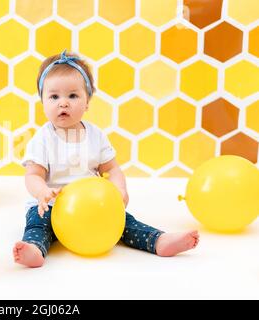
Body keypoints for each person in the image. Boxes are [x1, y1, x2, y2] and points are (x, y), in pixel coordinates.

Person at [13, 50, 199, 267]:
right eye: (54, 96)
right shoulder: (42, 138)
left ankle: (158, 240)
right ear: (43, 101)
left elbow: (112, 169)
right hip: (52, 206)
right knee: (38, 224)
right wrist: (42, 192)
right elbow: (33, 175)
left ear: (87, 101)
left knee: (125, 223)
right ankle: (34, 249)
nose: (63, 103)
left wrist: (119, 190)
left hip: (93, 206)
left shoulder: (95, 135)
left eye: (72, 96)